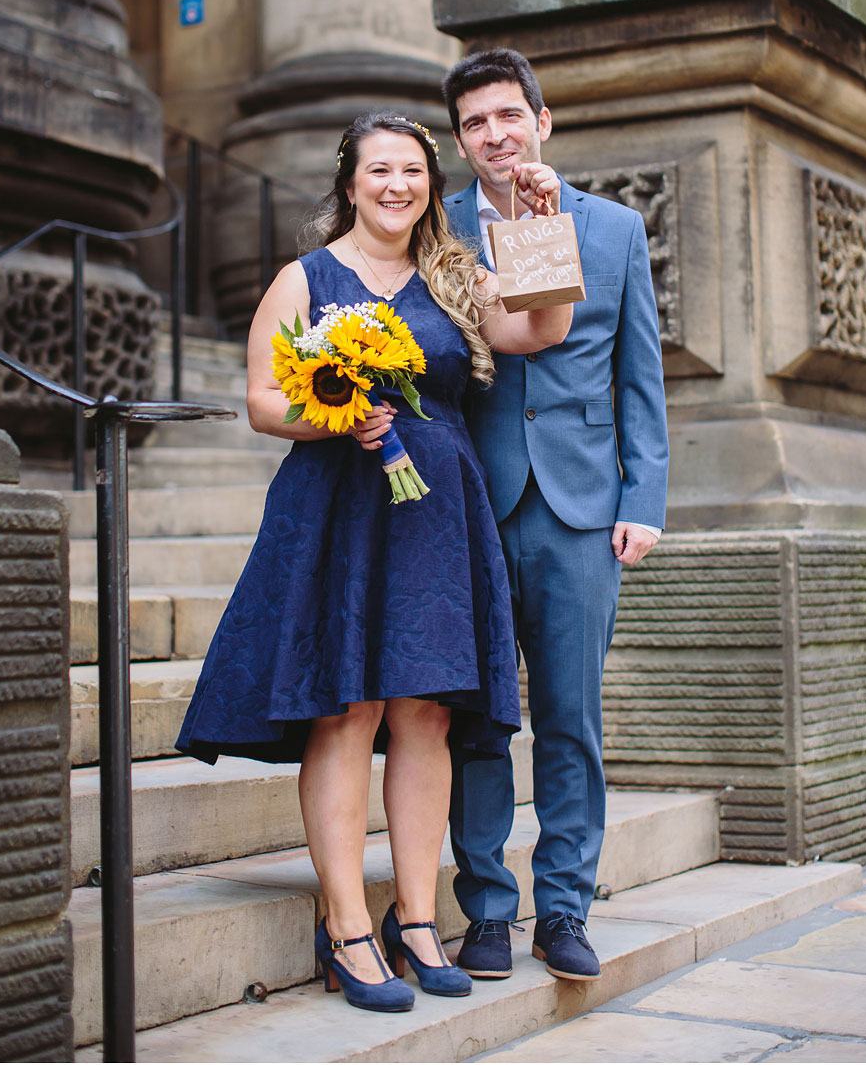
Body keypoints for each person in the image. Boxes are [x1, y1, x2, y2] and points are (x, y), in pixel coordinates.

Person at [177, 113, 573, 1012]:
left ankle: (420, 919)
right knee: (350, 709)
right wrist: (334, 416)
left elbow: (541, 330)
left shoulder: (455, 272)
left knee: (426, 712)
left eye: (414, 171)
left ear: (431, 185)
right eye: (379, 170)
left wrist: (540, 222)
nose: (398, 185)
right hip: (339, 507)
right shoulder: (304, 278)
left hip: (438, 511)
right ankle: (349, 925)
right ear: (349, 183)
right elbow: (261, 401)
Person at [441, 48, 669, 983]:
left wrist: (642, 497)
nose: (494, 134)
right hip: (473, 507)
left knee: (571, 719)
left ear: (544, 119)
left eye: (507, 115)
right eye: (474, 123)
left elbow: (638, 373)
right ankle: (487, 908)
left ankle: (565, 906)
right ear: (459, 141)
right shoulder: (437, 231)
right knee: (481, 719)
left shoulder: (612, 228)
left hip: (581, 509)